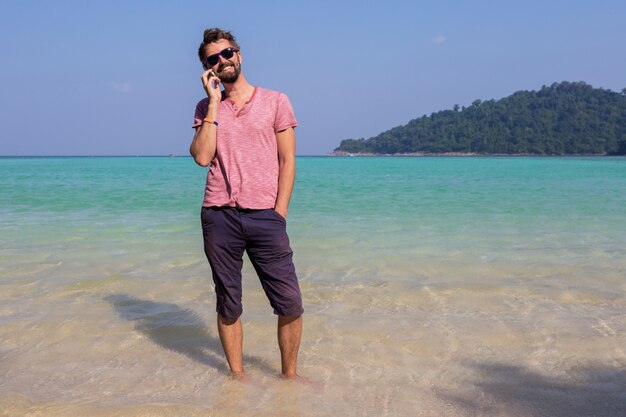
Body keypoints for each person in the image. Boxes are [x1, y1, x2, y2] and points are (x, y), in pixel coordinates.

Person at [189, 28, 303, 380]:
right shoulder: (206, 107)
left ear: (239, 54)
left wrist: (279, 212)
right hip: (219, 216)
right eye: (213, 59)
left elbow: (288, 161)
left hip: (266, 216)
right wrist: (212, 103)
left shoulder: (276, 101)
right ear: (207, 68)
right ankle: (237, 378)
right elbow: (202, 156)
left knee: (290, 302)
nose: (222, 61)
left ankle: (289, 377)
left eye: (227, 53)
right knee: (228, 302)